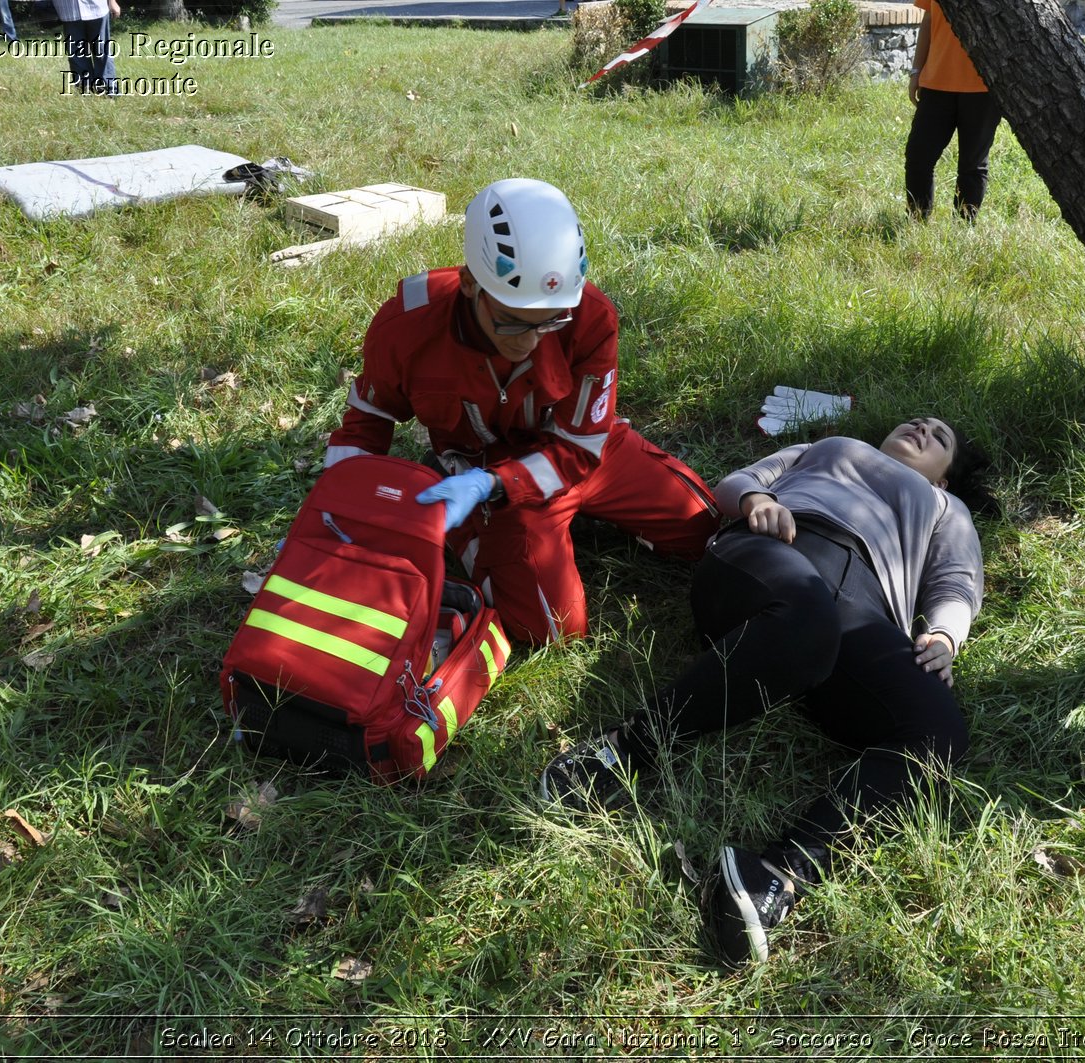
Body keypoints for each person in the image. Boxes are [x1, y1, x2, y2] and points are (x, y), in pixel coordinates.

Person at [539, 417, 988, 966]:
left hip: (867, 607)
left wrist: (943, 633)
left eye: (941, 437)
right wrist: (754, 499)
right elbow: (739, 481)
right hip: (774, 551)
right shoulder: (829, 447)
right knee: (805, 618)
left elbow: (957, 581)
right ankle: (625, 750)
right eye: (915, 422)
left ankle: (777, 874)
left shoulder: (945, 508)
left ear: (943, 480)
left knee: (941, 731)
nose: (923, 429)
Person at [326, 178, 720, 646]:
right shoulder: (409, 325)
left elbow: (580, 446)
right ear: (471, 283)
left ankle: (527, 520)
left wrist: (494, 486)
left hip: (580, 449)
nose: (530, 341)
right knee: (553, 630)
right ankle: (469, 532)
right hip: (488, 465)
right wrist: (334, 516)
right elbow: (367, 421)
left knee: (709, 534)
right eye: (512, 321)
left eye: (548, 323)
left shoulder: (589, 317)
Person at [904, 0, 1001, 221]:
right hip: (935, 82)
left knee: (972, 166)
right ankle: (916, 223)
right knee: (918, 158)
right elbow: (928, 19)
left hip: (983, 87)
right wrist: (916, 71)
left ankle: (962, 231)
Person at [53, 0, 118, 95]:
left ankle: (109, 91)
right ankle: (85, 92)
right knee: (77, 56)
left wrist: (112, 2)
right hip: (68, 10)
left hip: (97, 7)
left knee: (102, 51)